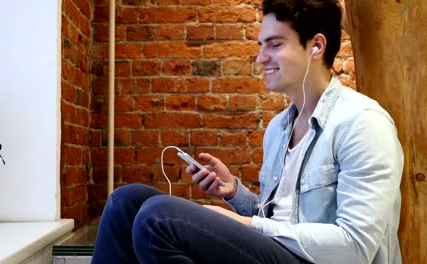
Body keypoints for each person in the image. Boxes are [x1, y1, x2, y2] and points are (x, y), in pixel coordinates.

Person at [91, 0, 403, 263]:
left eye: (275, 44)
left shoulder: (363, 123)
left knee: (158, 218)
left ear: (316, 46)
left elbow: (356, 248)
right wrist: (235, 194)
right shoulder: (279, 128)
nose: (260, 57)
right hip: (281, 254)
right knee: (127, 201)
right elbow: (279, 221)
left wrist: (247, 224)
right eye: (260, 46)